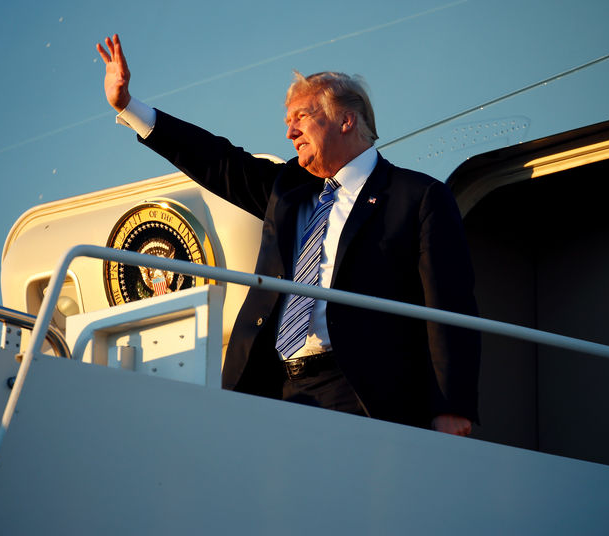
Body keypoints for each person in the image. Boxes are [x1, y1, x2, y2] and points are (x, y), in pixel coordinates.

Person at [97, 34, 479, 435]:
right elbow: (216, 160)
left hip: (360, 394)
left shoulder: (417, 197)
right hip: (274, 388)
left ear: (346, 120)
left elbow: (448, 308)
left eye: (301, 117)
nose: (289, 133)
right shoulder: (288, 190)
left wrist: (452, 406)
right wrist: (130, 107)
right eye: (287, 122)